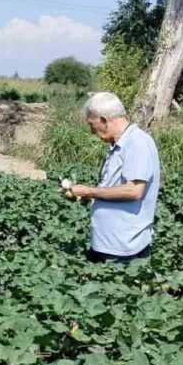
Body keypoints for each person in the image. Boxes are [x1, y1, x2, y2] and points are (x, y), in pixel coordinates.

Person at [64, 92, 160, 264]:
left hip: (123, 249)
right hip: (107, 244)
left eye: (91, 124)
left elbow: (134, 191)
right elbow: (115, 186)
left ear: (104, 120)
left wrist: (89, 191)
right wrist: (90, 196)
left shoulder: (137, 143)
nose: (91, 130)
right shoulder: (120, 144)